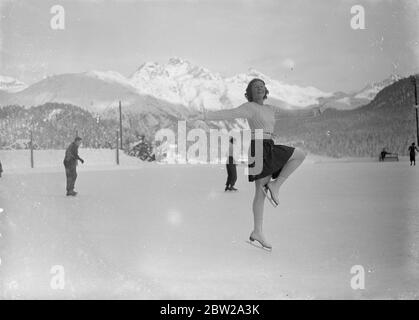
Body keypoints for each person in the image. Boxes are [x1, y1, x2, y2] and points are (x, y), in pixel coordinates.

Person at [192, 78, 323, 250]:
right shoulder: (249, 108)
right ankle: (258, 231)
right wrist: (205, 115)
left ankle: (276, 186)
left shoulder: (270, 108)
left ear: (265, 90)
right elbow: (230, 113)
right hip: (257, 148)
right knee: (260, 192)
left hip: (269, 145)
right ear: (250, 92)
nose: (260, 88)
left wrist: (311, 112)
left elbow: (292, 114)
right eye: (255, 87)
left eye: (262, 86)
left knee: (299, 155)